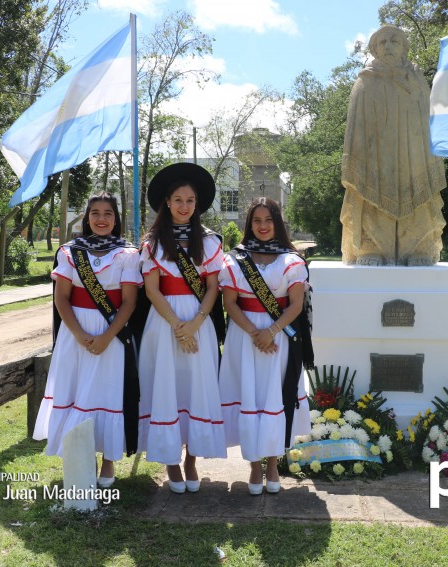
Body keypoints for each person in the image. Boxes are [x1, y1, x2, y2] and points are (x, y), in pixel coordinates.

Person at [33, 193, 141, 488]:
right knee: (79, 391)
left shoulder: (128, 255)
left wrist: (107, 337)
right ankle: (83, 456)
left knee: (107, 393)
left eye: (108, 213)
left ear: (116, 218)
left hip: (112, 333)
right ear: (86, 217)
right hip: (75, 333)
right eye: (95, 213)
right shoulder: (70, 252)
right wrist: (79, 334)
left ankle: (108, 459)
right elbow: (62, 298)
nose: (102, 219)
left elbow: (129, 302)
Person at [137, 162, 227, 494]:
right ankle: (170, 460)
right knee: (167, 387)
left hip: (199, 323)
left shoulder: (210, 242)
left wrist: (195, 324)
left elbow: (213, 288)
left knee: (196, 387)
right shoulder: (153, 244)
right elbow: (152, 290)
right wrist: (178, 327)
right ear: (167, 203)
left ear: (197, 204)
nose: (184, 206)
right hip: (164, 326)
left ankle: (191, 459)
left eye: (190, 200)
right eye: (178, 200)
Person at [218, 197, 314, 495]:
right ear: (249, 224)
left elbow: (296, 305)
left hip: (279, 338)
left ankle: (272, 464)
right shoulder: (234, 259)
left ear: (277, 223)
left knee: (274, 397)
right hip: (245, 339)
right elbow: (229, 303)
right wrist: (255, 332)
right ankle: (254, 467)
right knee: (251, 397)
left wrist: (270, 331)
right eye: (257, 221)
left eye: (268, 220)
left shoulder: (292, 260)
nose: (262, 226)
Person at [340, 24, 447, 266]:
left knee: (417, 194)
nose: (388, 46)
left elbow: (428, 123)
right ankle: (370, 247)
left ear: (404, 48)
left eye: (394, 41)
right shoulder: (364, 82)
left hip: (413, 155)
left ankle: (419, 247)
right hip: (375, 156)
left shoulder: (418, 81)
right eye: (383, 42)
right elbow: (354, 130)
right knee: (370, 194)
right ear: (375, 49)